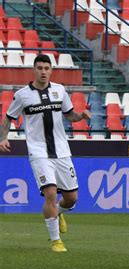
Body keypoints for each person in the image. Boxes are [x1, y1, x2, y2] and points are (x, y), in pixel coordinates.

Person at [0, 54, 91, 252]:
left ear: (51, 70)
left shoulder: (60, 90)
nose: (43, 71)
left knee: (72, 198)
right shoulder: (23, 95)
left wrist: (81, 116)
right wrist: (3, 137)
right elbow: (8, 118)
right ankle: (56, 241)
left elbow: (70, 115)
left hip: (62, 151)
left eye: (46, 68)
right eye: (39, 68)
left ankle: (58, 212)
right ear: (34, 70)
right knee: (50, 193)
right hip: (38, 152)